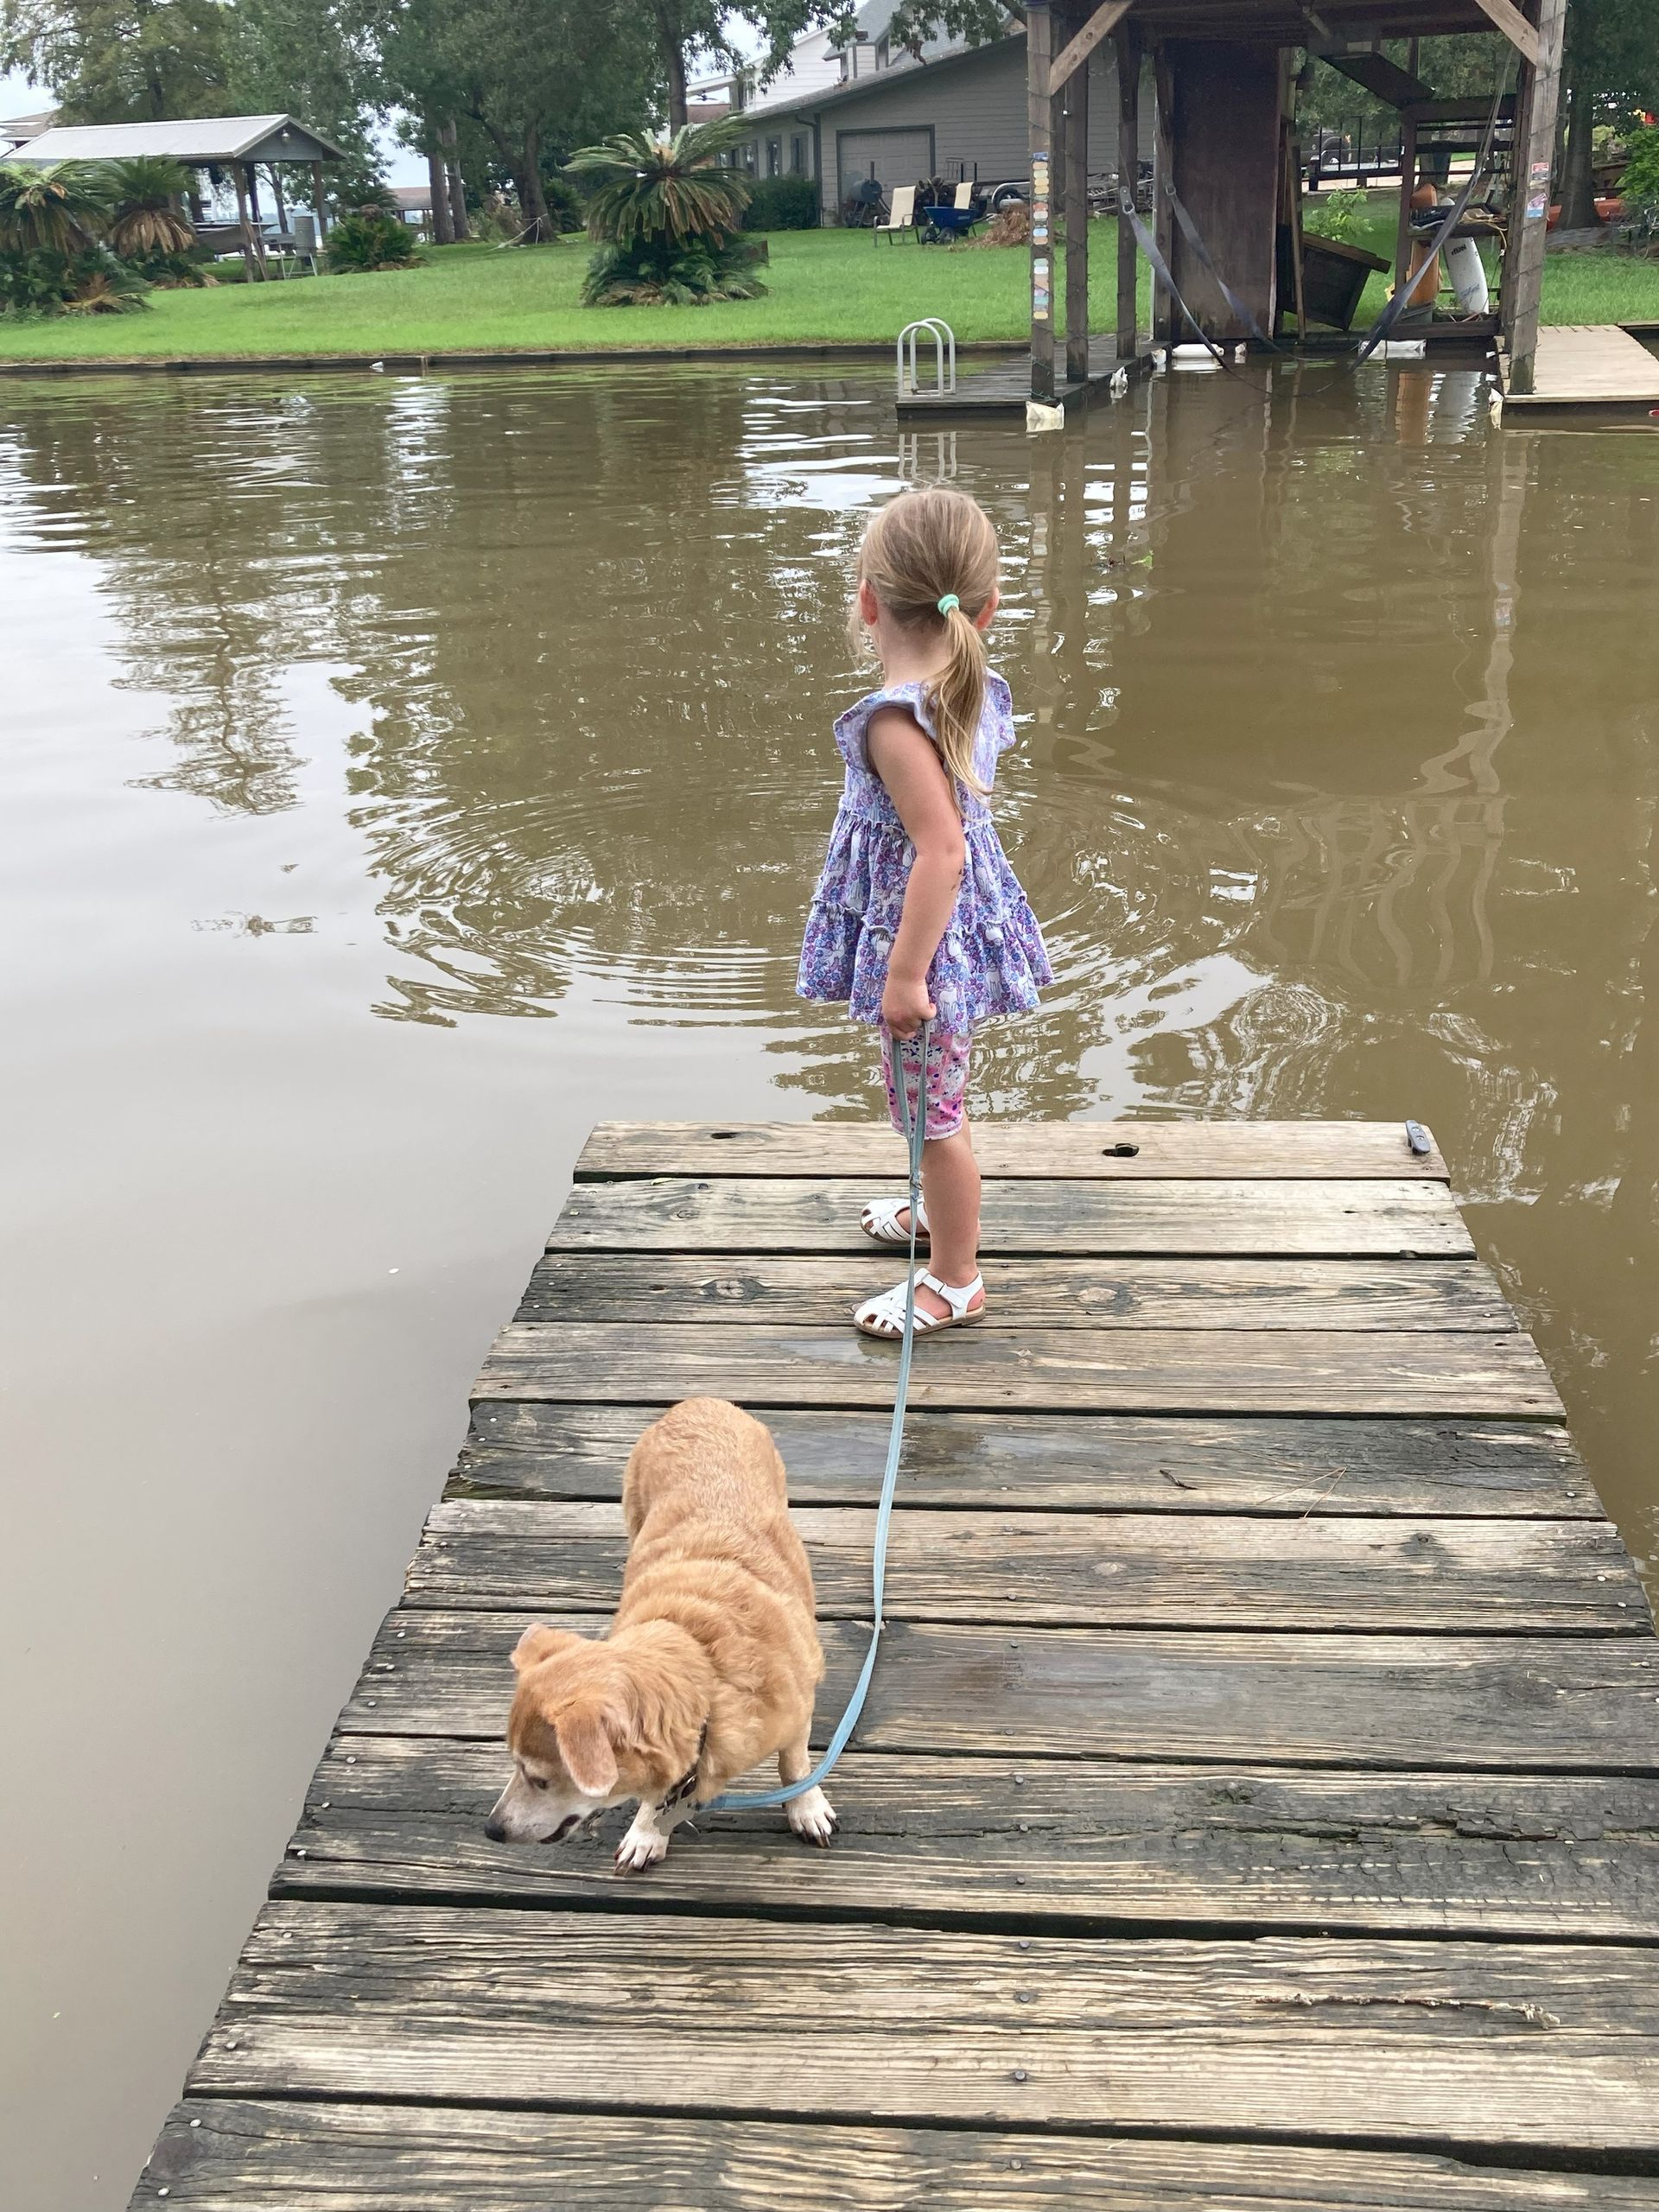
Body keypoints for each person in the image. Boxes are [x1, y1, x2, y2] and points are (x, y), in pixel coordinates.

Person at [798, 486, 1051, 1339]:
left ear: (867, 601)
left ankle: (954, 1280)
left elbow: (942, 849)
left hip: (928, 950)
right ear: (987, 606)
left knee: (934, 1120)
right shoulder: (965, 686)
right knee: (930, 1100)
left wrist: (905, 973)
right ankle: (934, 1213)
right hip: (947, 933)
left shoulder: (897, 723)